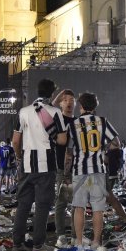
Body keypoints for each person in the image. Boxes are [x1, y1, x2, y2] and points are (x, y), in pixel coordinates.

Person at [12, 78, 68, 251]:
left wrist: (20, 157)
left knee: (23, 205)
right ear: (52, 93)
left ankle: (17, 244)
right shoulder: (55, 112)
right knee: (42, 206)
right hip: (46, 164)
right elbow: (62, 139)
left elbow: (15, 141)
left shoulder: (23, 111)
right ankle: (38, 245)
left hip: (27, 164)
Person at [65, 92, 119, 251]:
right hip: (98, 171)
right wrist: (103, 150)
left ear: (80, 106)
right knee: (98, 208)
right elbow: (115, 143)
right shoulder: (102, 121)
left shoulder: (73, 124)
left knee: (79, 207)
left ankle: (80, 243)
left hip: (80, 170)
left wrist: (68, 170)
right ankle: (96, 242)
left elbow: (69, 151)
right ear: (95, 107)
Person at [51, 89, 76, 238]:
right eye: (66, 100)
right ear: (60, 103)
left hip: (77, 168)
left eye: (72, 100)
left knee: (77, 202)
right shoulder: (56, 120)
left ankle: (75, 233)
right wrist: (61, 93)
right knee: (61, 202)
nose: (70, 103)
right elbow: (49, 108)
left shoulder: (78, 122)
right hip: (60, 166)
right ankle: (60, 233)